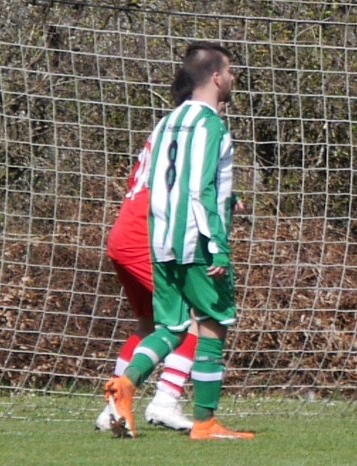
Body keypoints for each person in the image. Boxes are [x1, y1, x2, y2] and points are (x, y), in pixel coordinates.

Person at [105, 41, 254, 441]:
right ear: (217, 77)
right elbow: (200, 188)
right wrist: (218, 245)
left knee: (170, 326)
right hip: (196, 243)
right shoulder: (211, 125)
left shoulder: (166, 122)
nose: (234, 78)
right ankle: (204, 422)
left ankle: (126, 384)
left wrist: (229, 199)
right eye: (231, 71)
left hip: (161, 240)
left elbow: (165, 183)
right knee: (214, 323)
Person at [92, 130, 199, 433]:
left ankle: (112, 409)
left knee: (149, 324)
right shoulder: (194, 126)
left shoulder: (165, 127)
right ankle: (166, 400)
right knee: (195, 315)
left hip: (124, 231)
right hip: (145, 236)